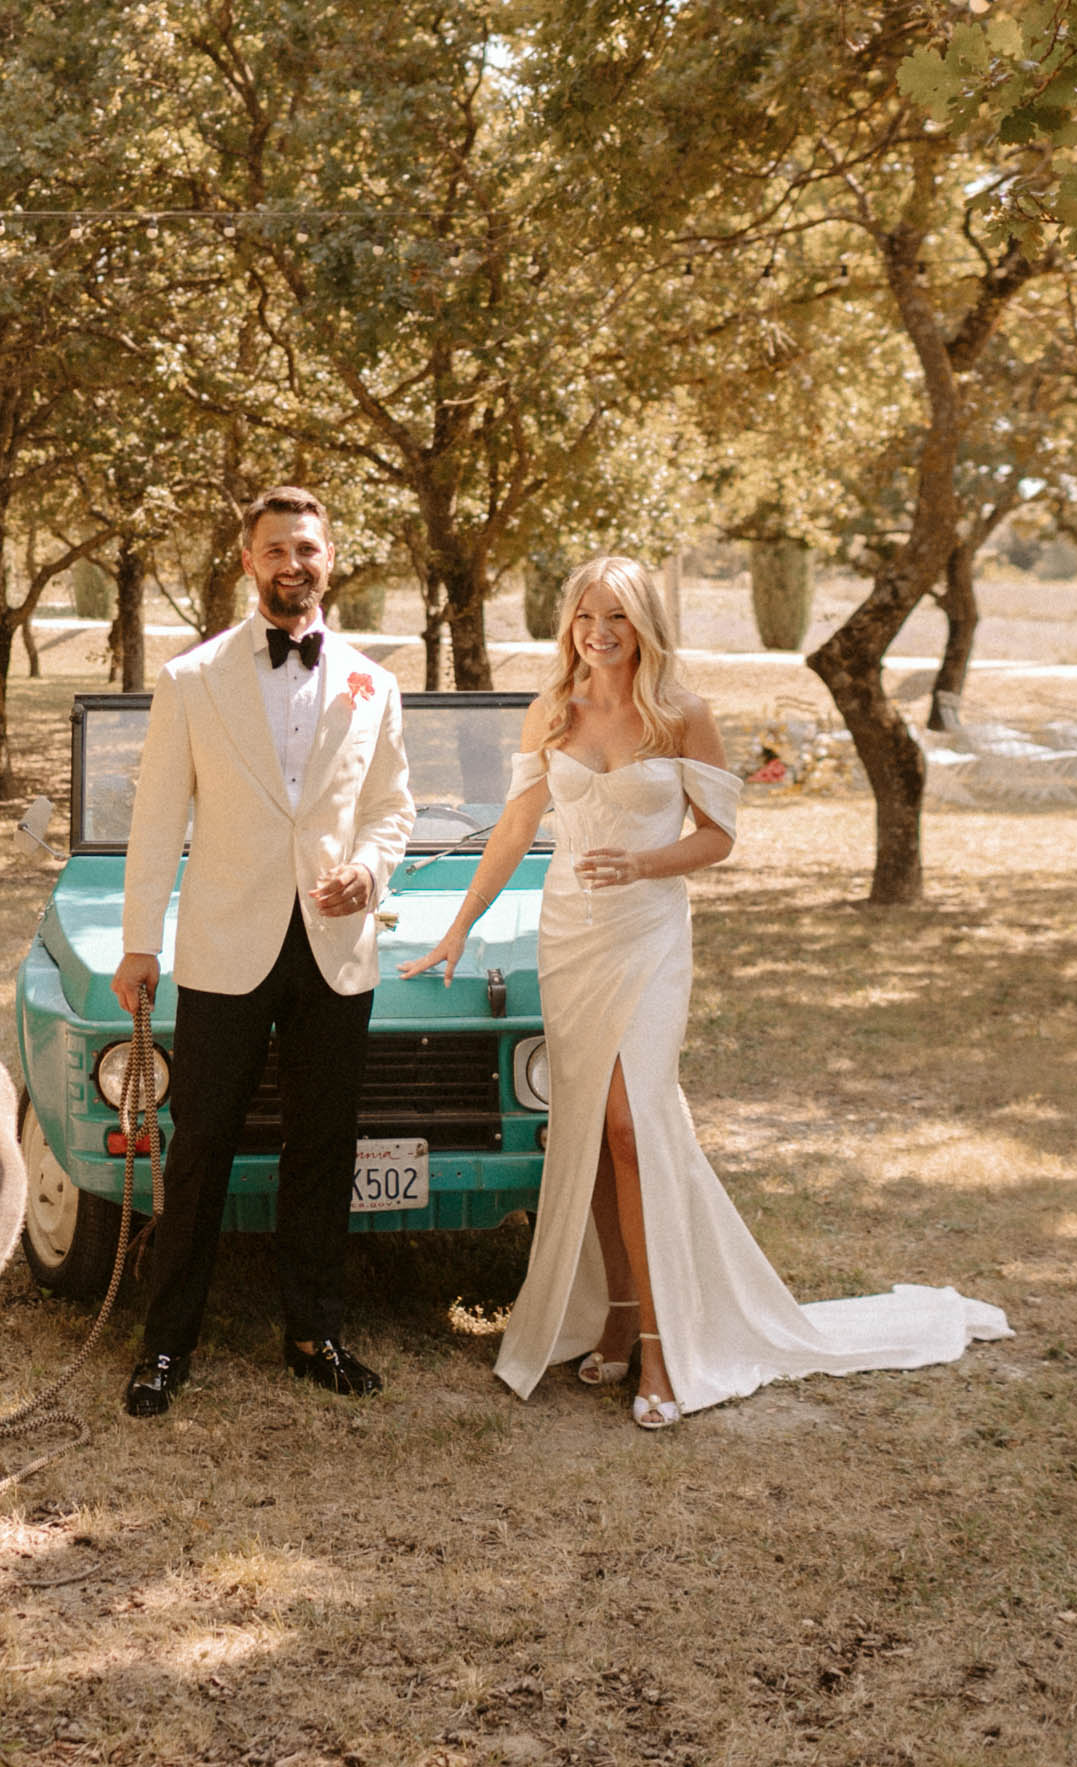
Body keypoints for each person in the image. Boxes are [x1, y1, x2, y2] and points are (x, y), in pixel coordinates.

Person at [401, 554, 1009, 1427]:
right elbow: (514, 827)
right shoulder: (552, 710)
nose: (598, 632)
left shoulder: (682, 713)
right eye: (583, 616)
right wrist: (459, 925)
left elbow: (720, 836)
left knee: (632, 1125)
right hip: (571, 934)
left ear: (645, 624)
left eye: (616, 616)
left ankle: (661, 1344)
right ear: (568, 624)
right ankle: (611, 1320)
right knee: (589, 1130)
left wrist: (645, 861)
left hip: (648, 935)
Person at [111, 486, 415, 1417]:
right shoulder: (191, 678)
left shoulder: (374, 680)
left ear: (331, 559)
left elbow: (390, 808)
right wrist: (137, 944)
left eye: (308, 549)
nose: (293, 564)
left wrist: (370, 869)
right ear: (248, 561)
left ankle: (315, 1332)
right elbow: (157, 819)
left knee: (322, 1145)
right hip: (223, 946)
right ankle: (166, 1346)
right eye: (275, 549)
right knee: (199, 1145)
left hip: (334, 947)